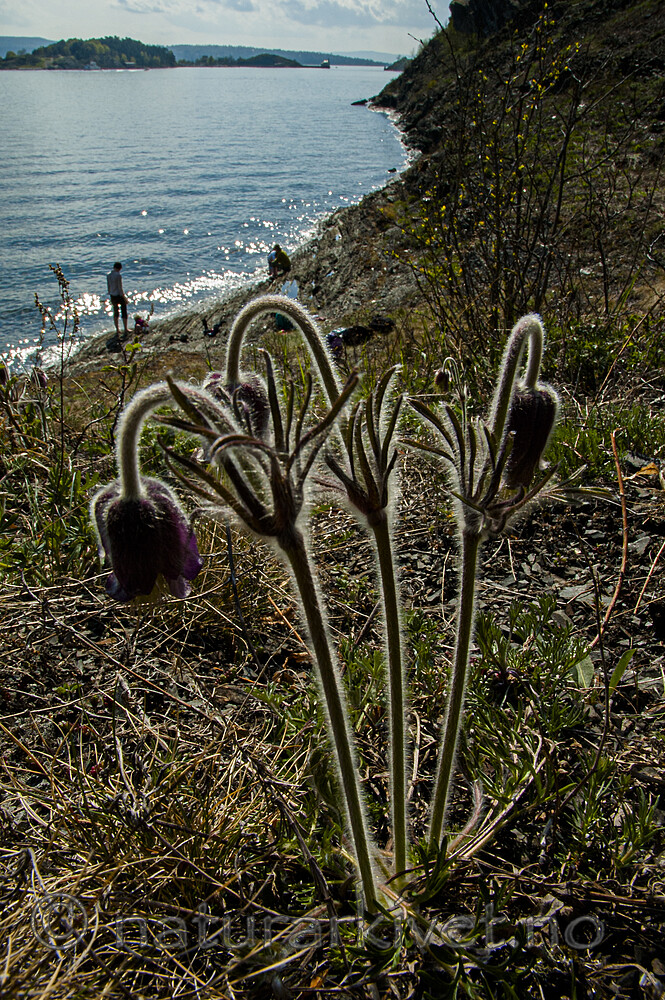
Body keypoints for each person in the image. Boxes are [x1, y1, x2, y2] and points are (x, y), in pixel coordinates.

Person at [107, 262, 130, 338]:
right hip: (118, 295)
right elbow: (120, 288)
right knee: (124, 311)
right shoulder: (118, 275)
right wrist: (124, 297)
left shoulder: (108, 275)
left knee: (115, 312)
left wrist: (110, 293)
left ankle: (117, 329)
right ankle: (125, 328)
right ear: (120, 268)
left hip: (112, 295)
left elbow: (109, 286)